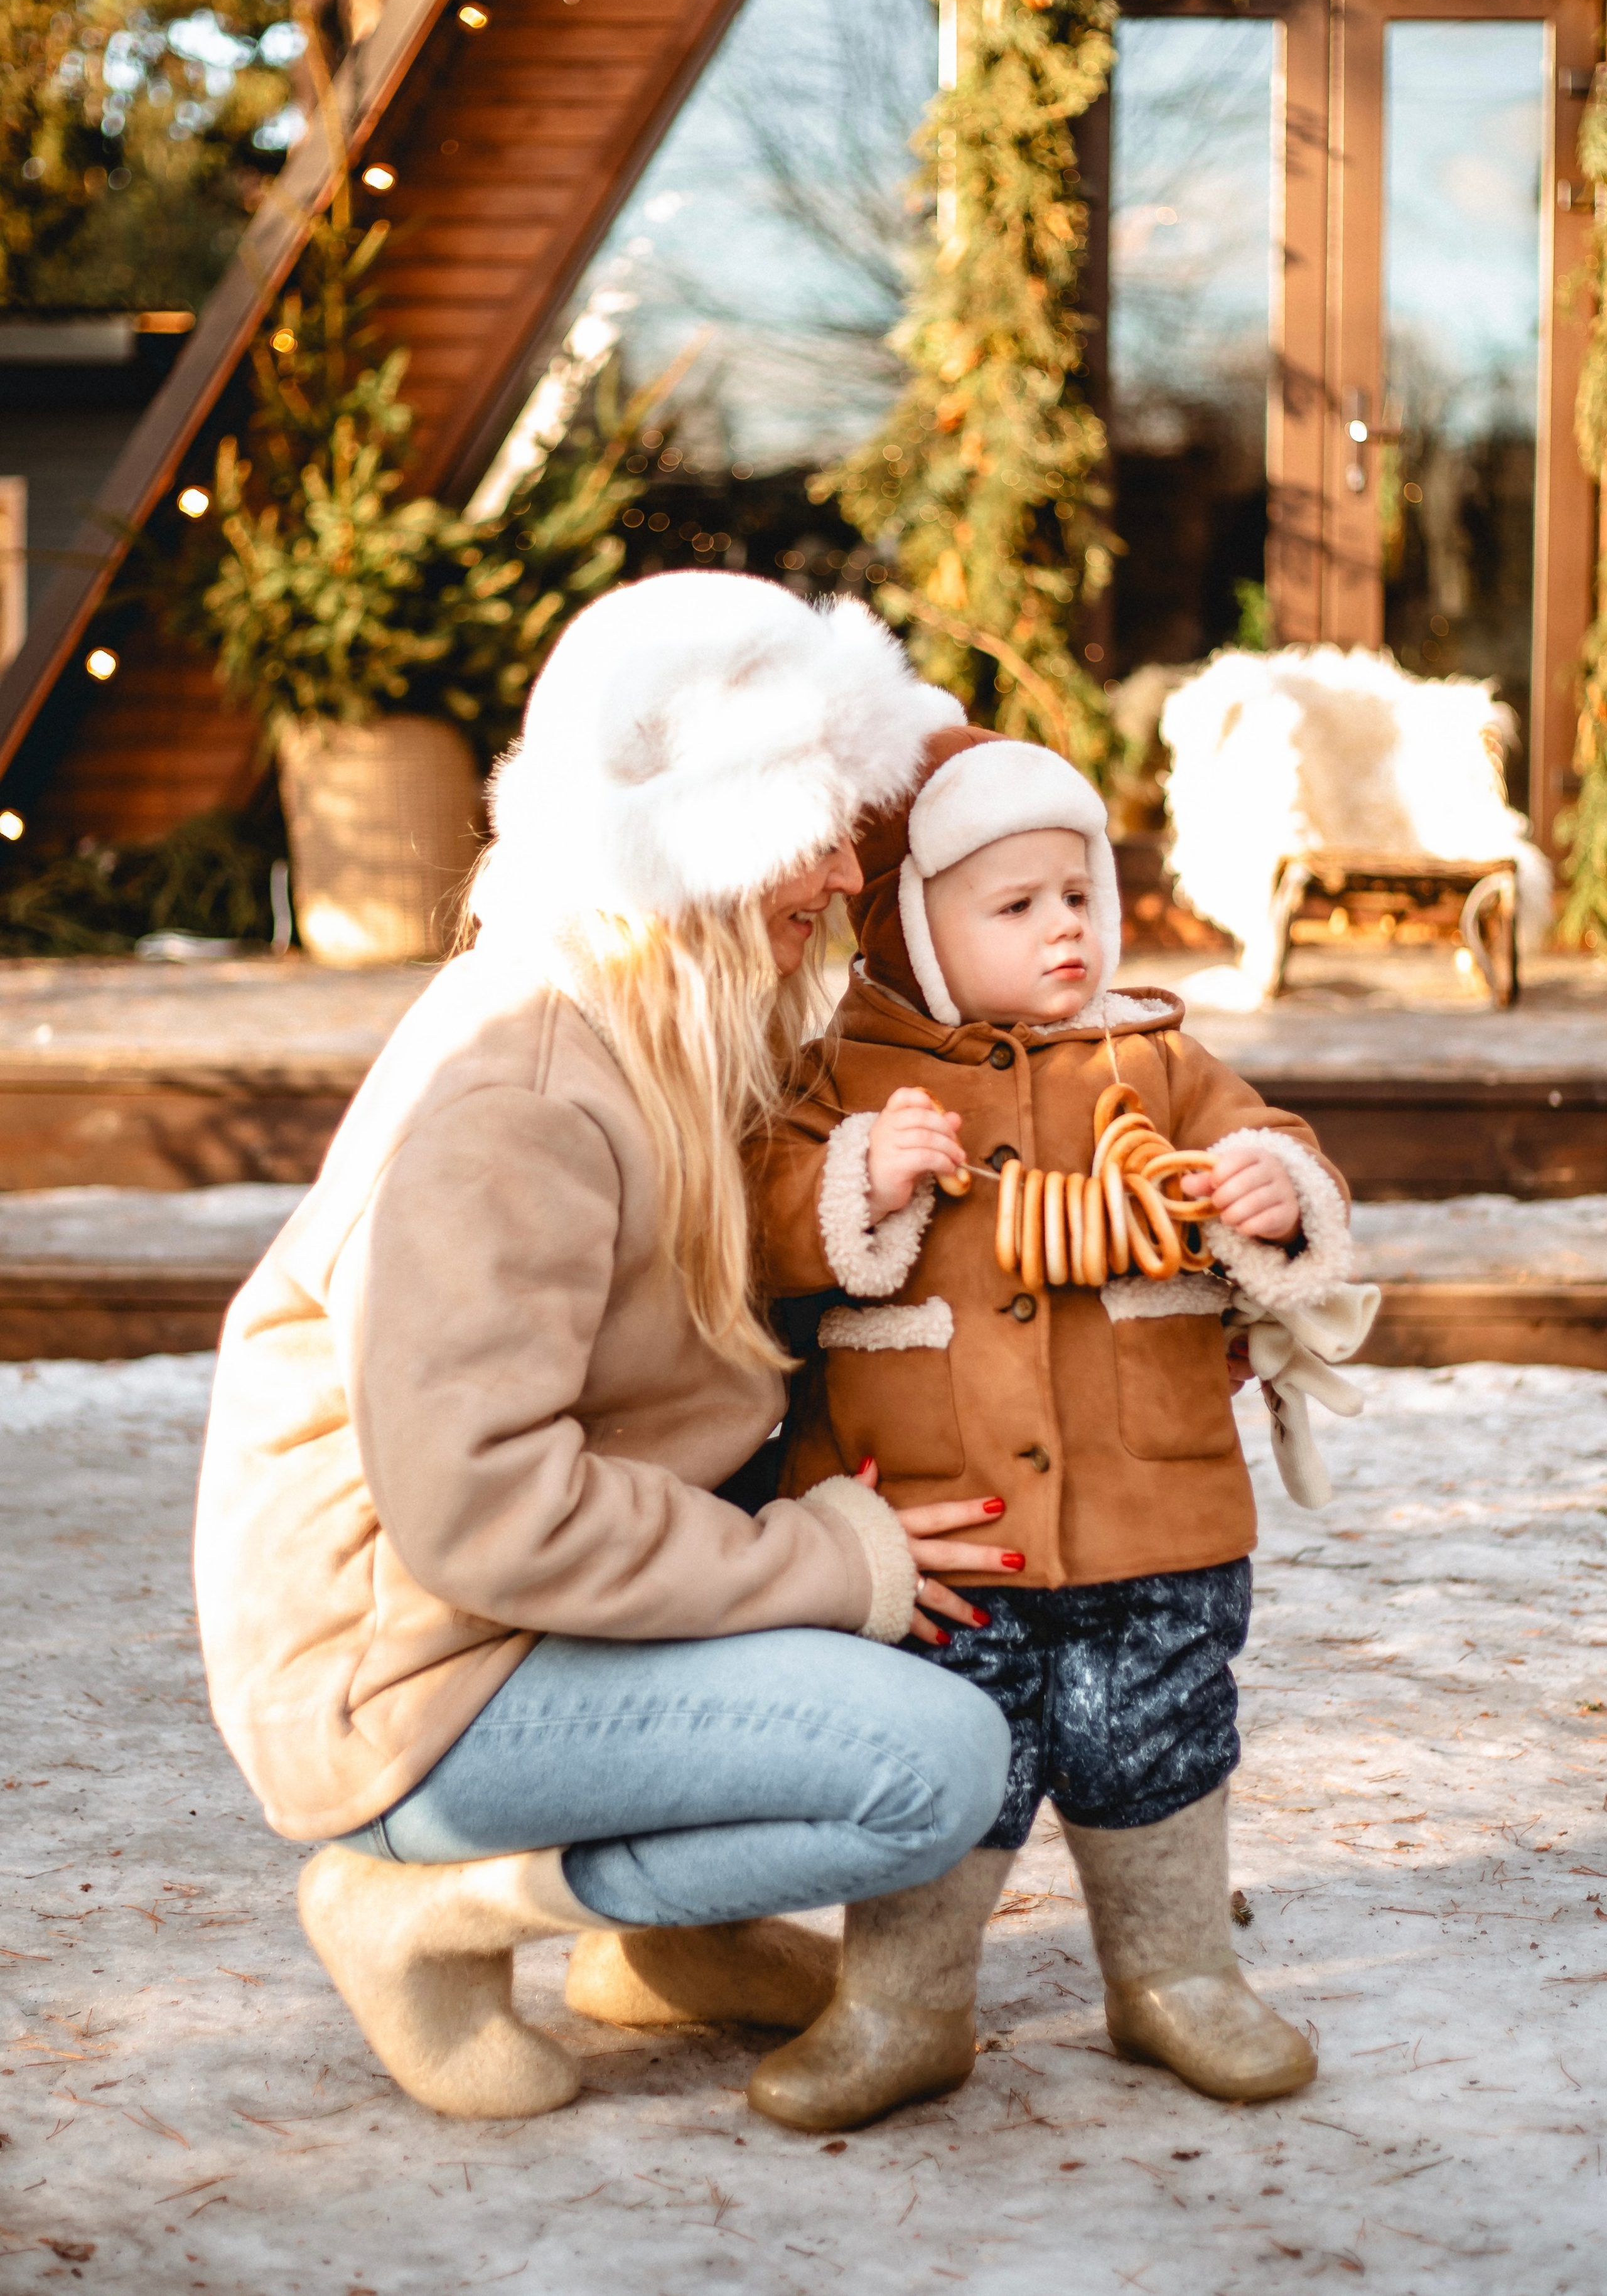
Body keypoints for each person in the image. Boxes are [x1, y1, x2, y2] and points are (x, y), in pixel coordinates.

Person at [191, 577, 1015, 2125]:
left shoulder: (675, 1004)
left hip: (531, 1618)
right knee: (934, 1766)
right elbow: (486, 1506)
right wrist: (821, 1562)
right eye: (817, 825)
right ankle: (420, 1907)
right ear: (697, 833)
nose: (847, 872)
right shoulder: (520, 1087)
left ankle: (667, 1935)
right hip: (413, 1677)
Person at [746, 726, 1358, 2133]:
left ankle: (1174, 1972)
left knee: (1155, 1732)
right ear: (912, 925)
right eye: (1012, 906)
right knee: (959, 1745)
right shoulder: (846, 1067)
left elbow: (1280, 1140)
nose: (1062, 929)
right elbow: (760, 1211)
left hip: (1154, 1504)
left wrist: (1272, 1185)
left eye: (1076, 892)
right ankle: (903, 2002)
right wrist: (855, 1175)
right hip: (944, 1521)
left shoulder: (1151, 1057)